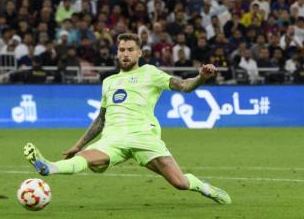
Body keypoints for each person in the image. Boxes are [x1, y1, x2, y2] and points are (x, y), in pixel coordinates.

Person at [23, 33, 231, 205]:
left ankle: (204, 187)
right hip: (113, 137)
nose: (125, 54)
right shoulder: (109, 82)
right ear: (117, 53)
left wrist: (202, 77)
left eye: (130, 50)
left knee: (180, 183)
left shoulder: (150, 73)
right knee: (85, 157)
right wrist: (77, 146)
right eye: (122, 50)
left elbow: (184, 86)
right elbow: (100, 120)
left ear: (139, 53)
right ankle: (50, 167)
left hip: (144, 136)